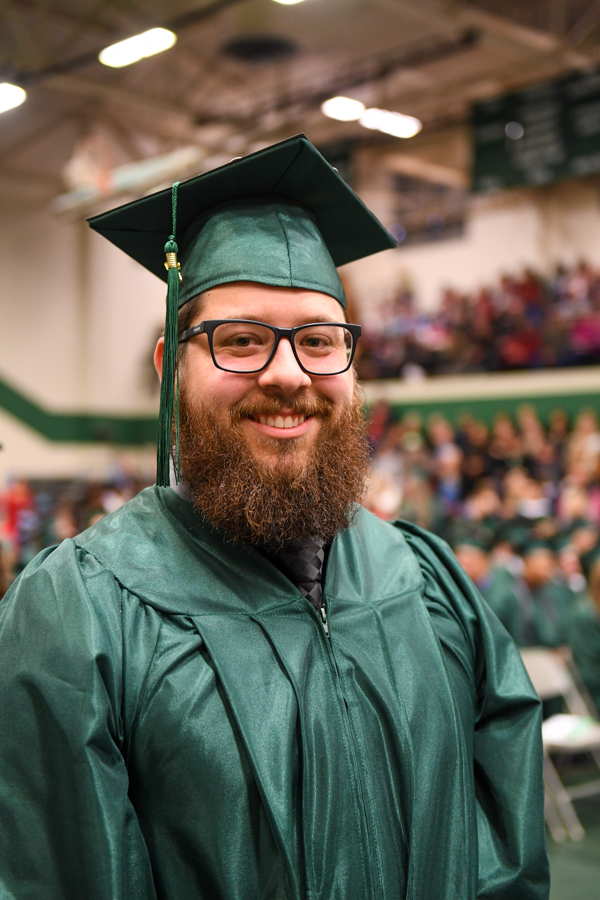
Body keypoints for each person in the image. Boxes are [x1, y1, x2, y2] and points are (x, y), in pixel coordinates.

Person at [0, 136, 548, 899]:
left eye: (321, 341)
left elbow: (508, 862)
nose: (288, 374)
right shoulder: (81, 614)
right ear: (171, 369)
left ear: (353, 369)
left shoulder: (429, 581)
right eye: (242, 340)